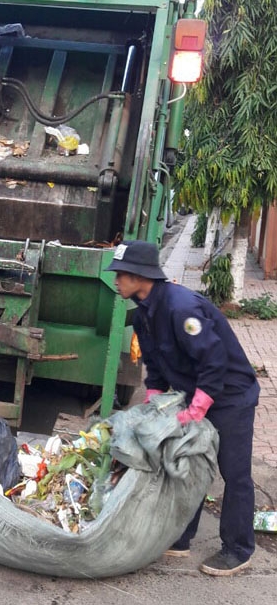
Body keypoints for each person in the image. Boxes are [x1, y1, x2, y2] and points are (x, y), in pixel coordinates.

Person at [105, 240, 260, 577]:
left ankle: (238, 548)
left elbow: (214, 361)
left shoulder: (181, 308)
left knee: (234, 473)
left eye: (120, 274)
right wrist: (155, 399)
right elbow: (156, 362)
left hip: (231, 394)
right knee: (187, 464)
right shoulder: (143, 312)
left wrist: (199, 407)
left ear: (140, 276)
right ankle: (181, 537)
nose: (116, 280)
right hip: (195, 392)